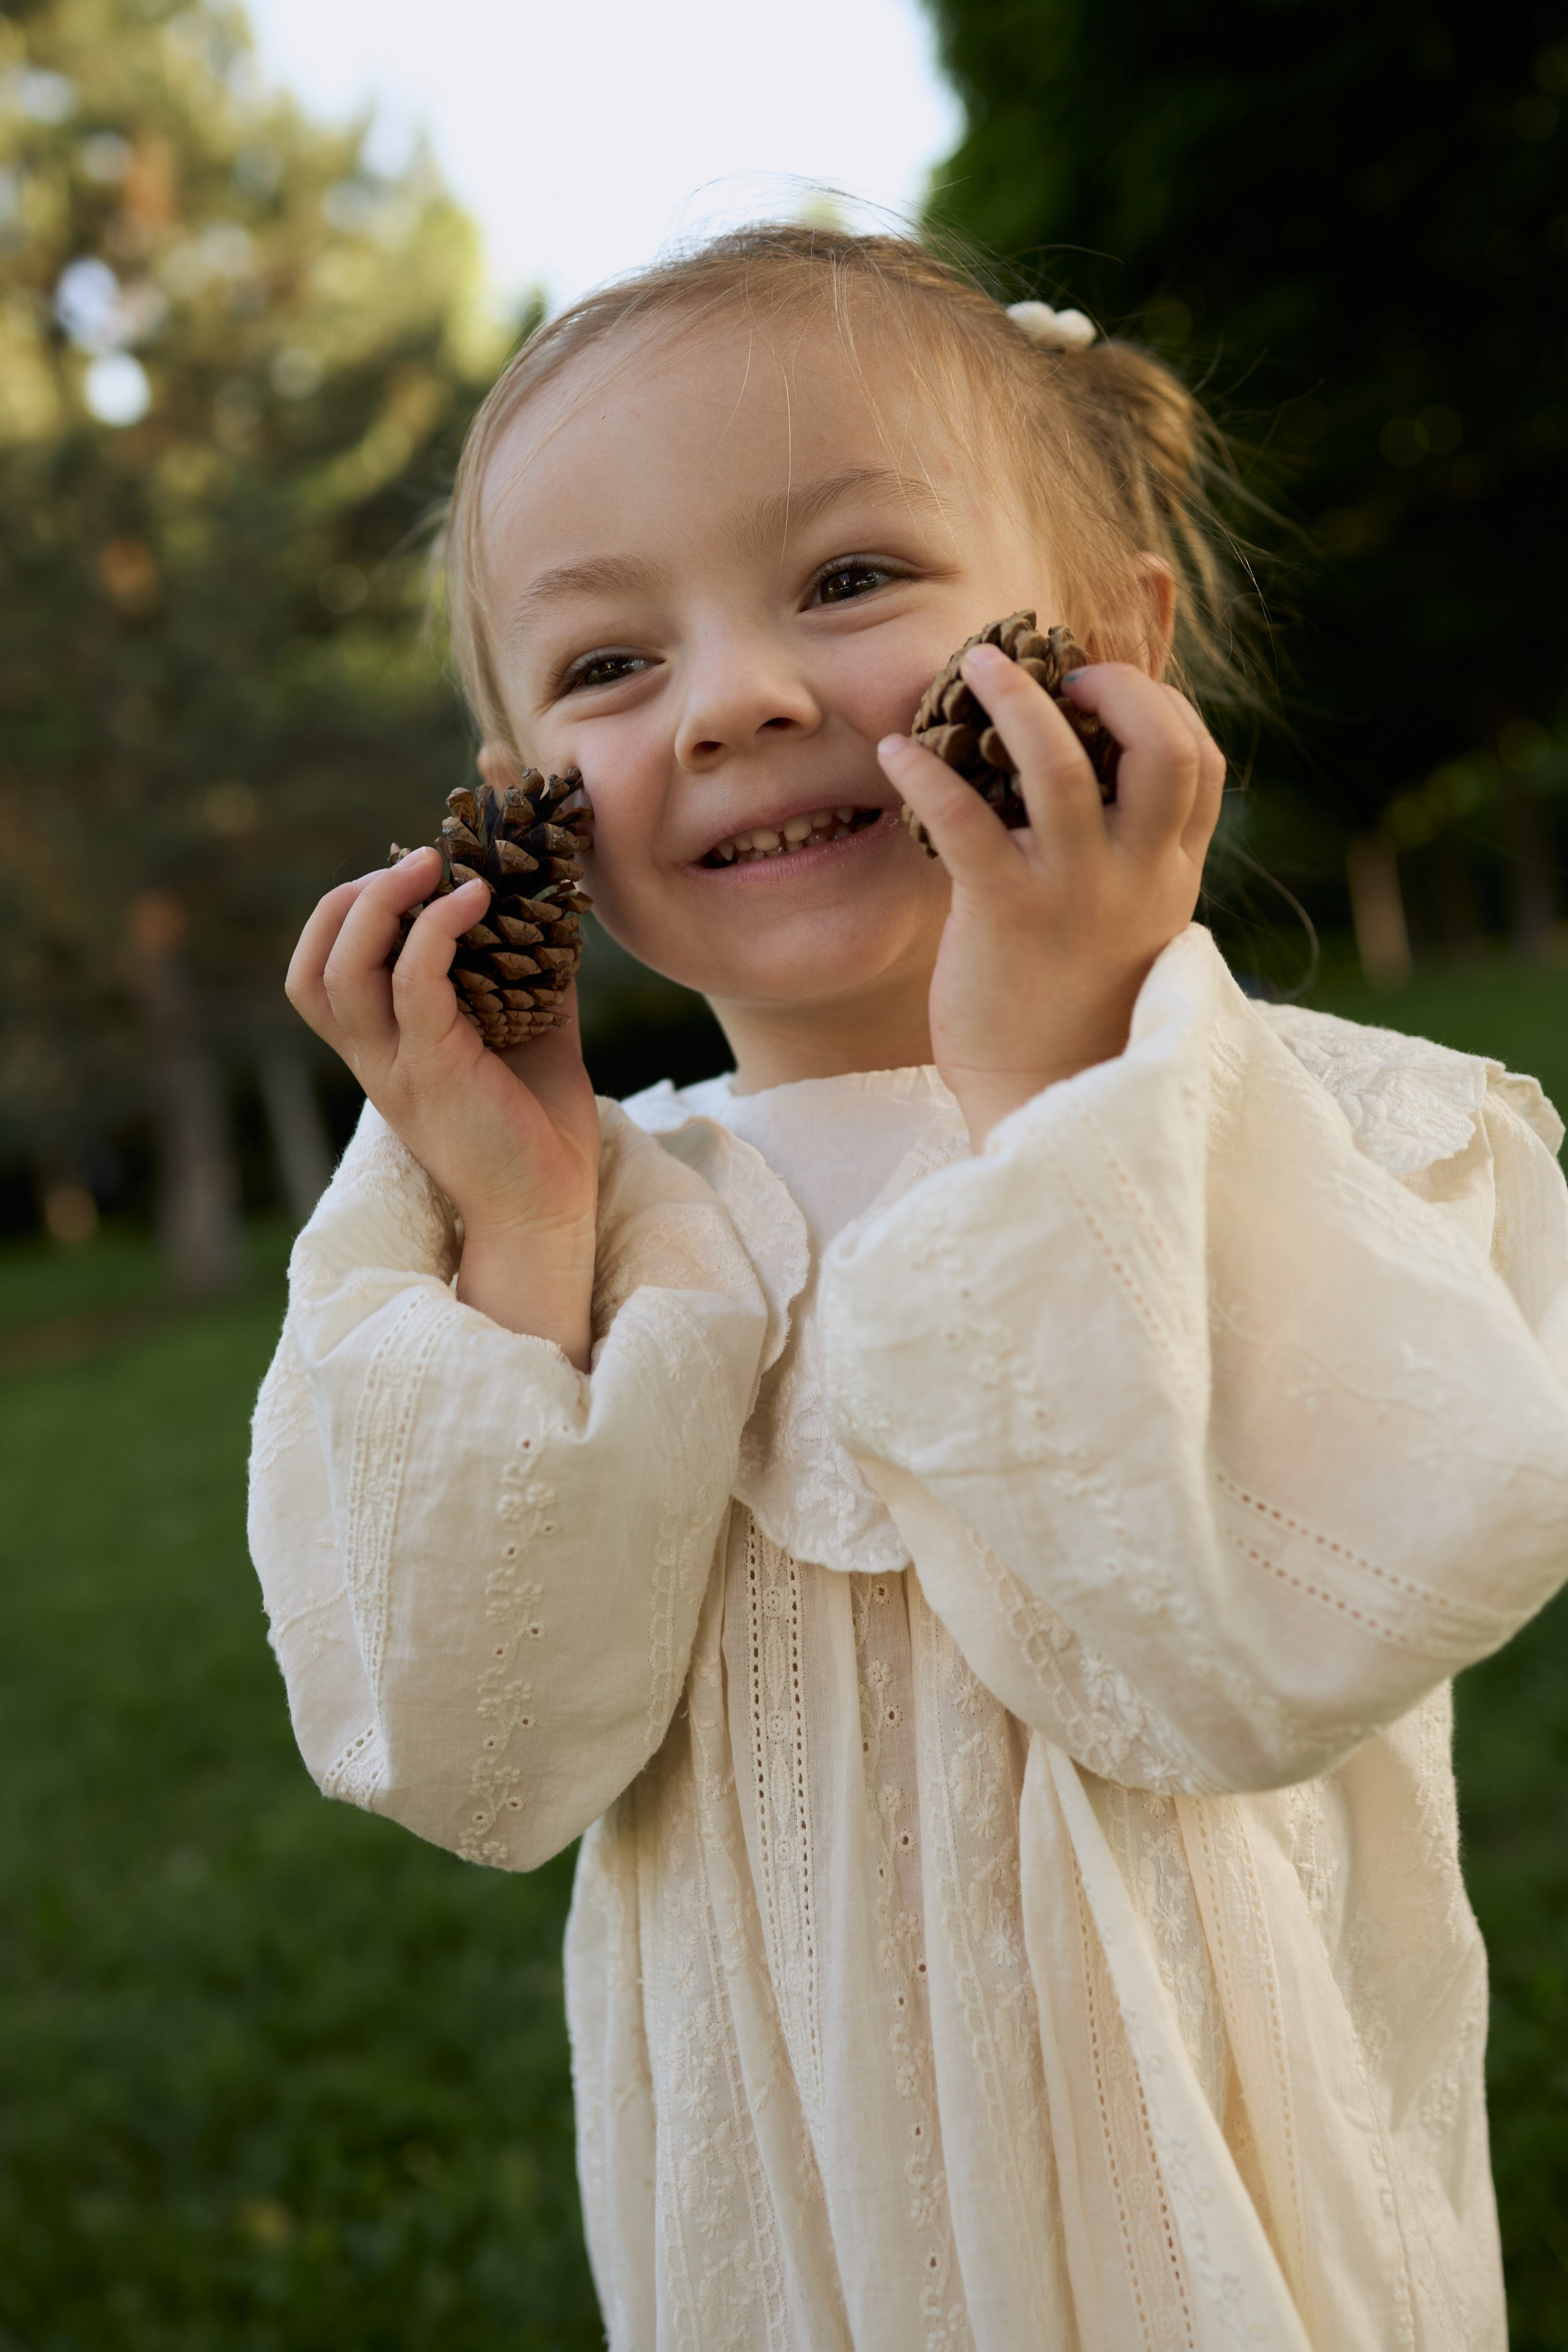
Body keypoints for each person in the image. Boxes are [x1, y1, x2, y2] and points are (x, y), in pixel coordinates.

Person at [250, 226, 1568, 2351]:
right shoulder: (583, 1233)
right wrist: (514, 1223)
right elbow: (482, 1755)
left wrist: (1060, 1093)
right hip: (787, 2254)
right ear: (520, 809)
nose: (740, 699)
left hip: (1220, 2233)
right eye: (603, 668)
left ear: (1115, 643)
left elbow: (1234, 1655)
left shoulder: (1331, 1138)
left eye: (849, 581)